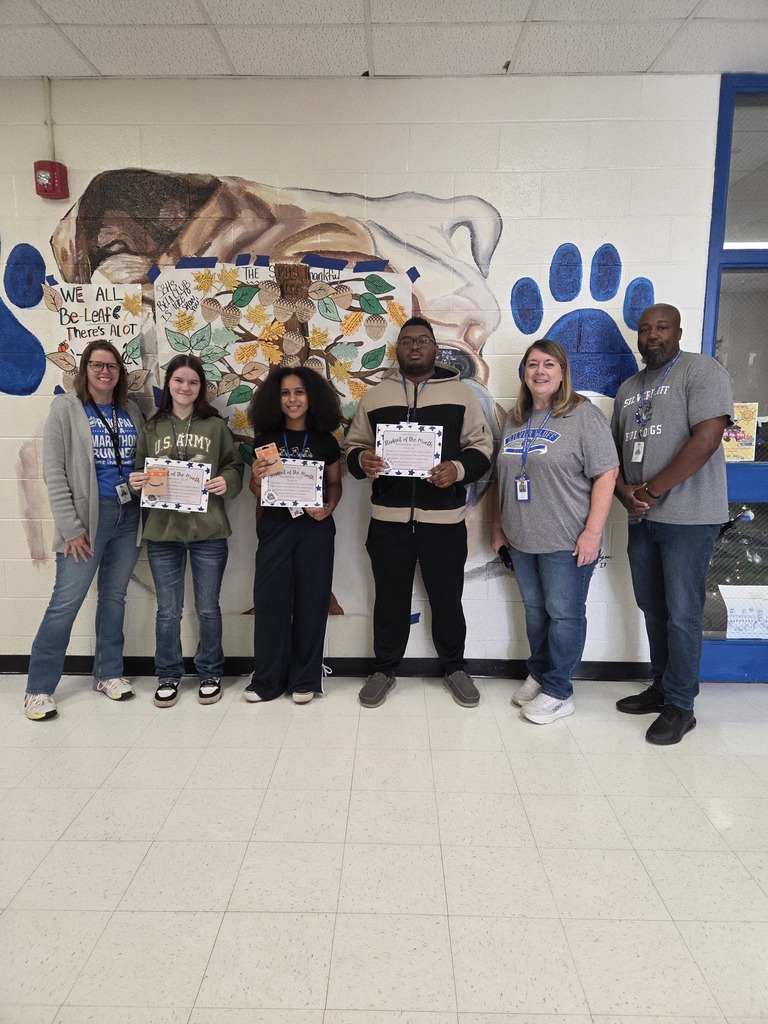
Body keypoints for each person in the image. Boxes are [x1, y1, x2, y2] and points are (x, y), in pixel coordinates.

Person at [345, 315, 493, 708]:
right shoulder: (375, 397)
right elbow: (351, 448)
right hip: (388, 521)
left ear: (434, 348)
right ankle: (384, 669)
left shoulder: (461, 395)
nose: (414, 346)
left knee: (447, 598)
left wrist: (458, 470)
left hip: (444, 522)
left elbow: (482, 448)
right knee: (389, 599)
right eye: (407, 340)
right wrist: (364, 461)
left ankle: (456, 668)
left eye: (422, 340)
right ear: (398, 349)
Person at [612, 303, 732, 745]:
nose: (652, 336)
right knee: (653, 606)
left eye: (661, 327)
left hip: (689, 517)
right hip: (642, 517)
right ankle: (662, 687)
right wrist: (627, 491)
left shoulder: (702, 371)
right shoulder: (628, 388)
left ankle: (681, 706)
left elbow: (707, 439)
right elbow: (613, 456)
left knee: (682, 614)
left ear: (678, 331)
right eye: (645, 329)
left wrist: (653, 489)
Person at [491, 340, 618, 724]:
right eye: (532, 364)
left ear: (562, 372)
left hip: (566, 539)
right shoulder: (516, 418)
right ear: (524, 372)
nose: (540, 371)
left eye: (549, 364)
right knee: (535, 612)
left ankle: (559, 690)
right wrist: (498, 528)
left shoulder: (583, 415)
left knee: (564, 614)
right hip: (522, 539)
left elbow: (606, 474)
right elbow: (502, 478)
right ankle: (541, 672)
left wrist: (592, 534)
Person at [23, 342, 144, 720]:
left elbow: (140, 462)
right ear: (85, 369)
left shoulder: (131, 410)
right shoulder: (65, 409)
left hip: (129, 515)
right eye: (97, 364)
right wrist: (71, 527)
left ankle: (108, 673)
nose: (105, 372)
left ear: (119, 373)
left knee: (114, 597)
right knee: (66, 602)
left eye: (112, 366)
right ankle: (39, 688)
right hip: (88, 520)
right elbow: (53, 474)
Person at [129, 354, 244, 708]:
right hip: (163, 533)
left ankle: (210, 671)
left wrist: (228, 480)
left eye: (192, 382)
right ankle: (168, 674)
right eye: (179, 380)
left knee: (208, 608)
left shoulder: (215, 426)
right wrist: (136, 483)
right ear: (169, 385)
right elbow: (138, 473)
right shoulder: (152, 427)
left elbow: (234, 465)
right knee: (168, 610)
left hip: (208, 529)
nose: (185, 387)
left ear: (201, 388)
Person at [246, 366, 342, 704]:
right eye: (285, 393)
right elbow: (257, 490)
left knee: (312, 602)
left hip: (315, 528)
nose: (292, 399)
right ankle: (267, 679)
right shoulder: (265, 440)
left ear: (311, 397)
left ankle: (306, 679)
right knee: (270, 602)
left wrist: (328, 507)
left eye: (299, 392)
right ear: (276, 398)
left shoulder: (325, 440)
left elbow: (334, 484)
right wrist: (256, 480)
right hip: (274, 528)